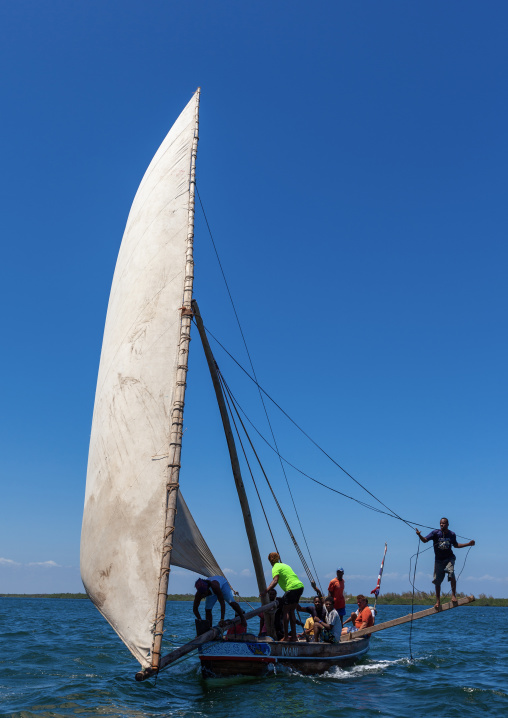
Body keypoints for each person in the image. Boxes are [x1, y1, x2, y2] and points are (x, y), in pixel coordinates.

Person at [416, 517, 475, 609]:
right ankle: (438, 602)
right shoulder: (435, 533)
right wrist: (419, 535)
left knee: (451, 573)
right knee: (437, 581)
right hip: (438, 560)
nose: (441, 525)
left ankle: (453, 595)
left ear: (447, 524)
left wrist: (468, 544)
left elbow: (456, 545)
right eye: (440, 524)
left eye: (443, 523)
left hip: (449, 558)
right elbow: (424, 540)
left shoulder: (452, 534)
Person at [260, 552, 304, 642]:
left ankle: (286, 637)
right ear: (278, 558)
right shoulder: (285, 565)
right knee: (292, 611)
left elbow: (275, 580)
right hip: (300, 587)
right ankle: (294, 637)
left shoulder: (275, 567)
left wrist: (266, 591)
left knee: (285, 612)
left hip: (291, 588)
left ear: (269, 560)